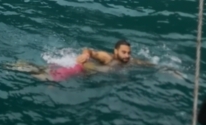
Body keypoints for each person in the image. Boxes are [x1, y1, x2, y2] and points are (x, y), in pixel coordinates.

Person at [9, 40, 152, 81]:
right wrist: (85, 55)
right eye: (124, 52)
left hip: (85, 73)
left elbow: (149, 64)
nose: (127, 55)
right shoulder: (107, 57)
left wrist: (171, 70)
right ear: (116, 51)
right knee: (48, 77)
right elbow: (89, 49)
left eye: (129, 53)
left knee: (45, 71)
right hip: (80, 68)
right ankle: (16, 67)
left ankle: (22, 65)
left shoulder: (130, 61)